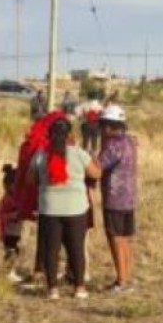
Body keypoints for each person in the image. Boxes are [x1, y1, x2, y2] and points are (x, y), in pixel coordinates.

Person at [30, 116, 100, 299]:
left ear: (49, 135)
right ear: (69, 135)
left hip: (49, 208)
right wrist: (95, 160)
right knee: (76, 249)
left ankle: (52, 289)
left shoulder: (40, 155)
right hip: (75, 209)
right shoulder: (78, 153)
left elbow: (31, 180)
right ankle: (79, 288)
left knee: (51, 250)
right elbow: (96, 174)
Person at [95, 105, 139, 293]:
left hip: (114, 199)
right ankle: (127, 277)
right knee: (126, 239)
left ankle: (121, 281)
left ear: (109, 126)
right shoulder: (129, 142)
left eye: (103, 125)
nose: (101, 130)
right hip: (129, 198)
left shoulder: (113, 146)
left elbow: (97, 167)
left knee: (116, 239)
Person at [0, 164, 26, 281]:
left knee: (14, 251)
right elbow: (2, 216)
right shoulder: (7, 199)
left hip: (14, 232)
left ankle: (10, 271)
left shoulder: (14, 198)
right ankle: (9, 272)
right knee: (11, 252)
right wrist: (15, 215)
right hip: (8, 232)